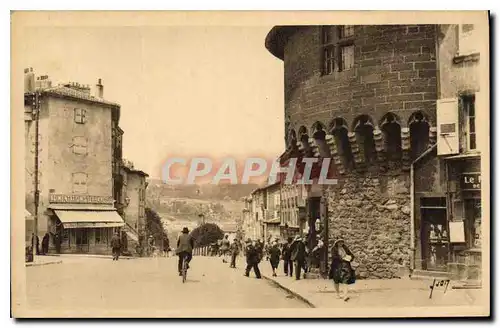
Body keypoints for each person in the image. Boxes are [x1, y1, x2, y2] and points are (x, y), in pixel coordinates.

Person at [328, 238, 356, 302]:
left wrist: (350, 258)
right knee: (336, 280)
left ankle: (345, 295)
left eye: (342, 242)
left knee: (345, 279)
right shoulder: (334, 249)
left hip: (345, 266)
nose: (340, 243)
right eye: (339, 242)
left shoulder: (345, 248)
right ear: (336, 243)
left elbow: (351, 255)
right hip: (337, 266)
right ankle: (337, 293)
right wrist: (342, 258)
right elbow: (334, 257)